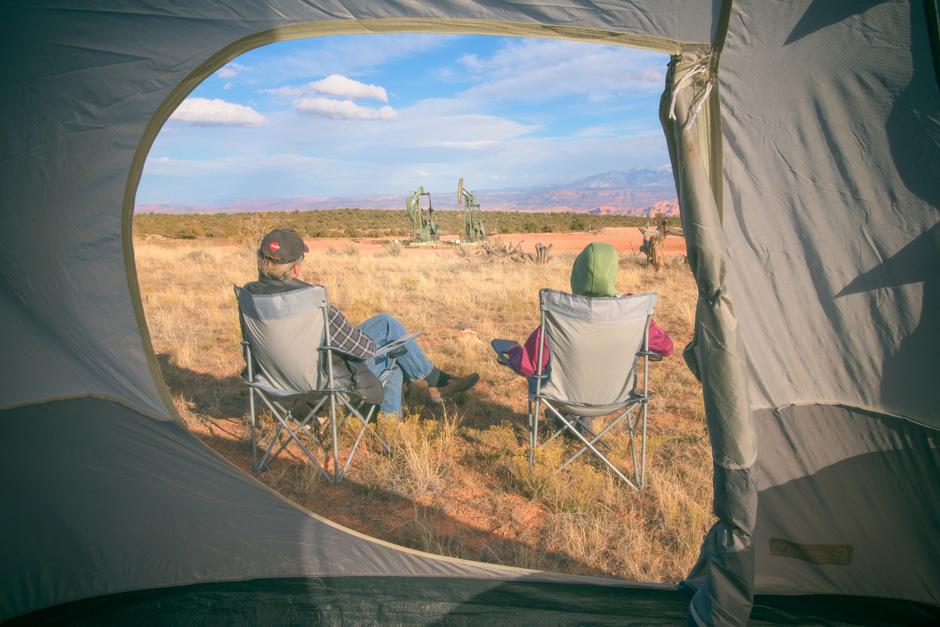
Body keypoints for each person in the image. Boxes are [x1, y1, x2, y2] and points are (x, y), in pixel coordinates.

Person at [242, 228, 478, 418]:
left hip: (272, 378)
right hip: (321, 381)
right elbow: (363, 349)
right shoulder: (310, 301)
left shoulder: (249, 298)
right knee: (389, 338)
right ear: (295, 267)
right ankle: (431, 386)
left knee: (388, 339)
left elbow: (249, 350)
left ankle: (401, 414)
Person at [494, 242, 673, 435]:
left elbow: (528, 366)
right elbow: (666, 347)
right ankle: (579, 424)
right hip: (614, 398)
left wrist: (512, 351)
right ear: (612, 272)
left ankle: (564, 419)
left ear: (577, 274)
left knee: (543, 375)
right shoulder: (632, 313)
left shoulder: (558, 315)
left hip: (563, 396)